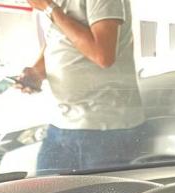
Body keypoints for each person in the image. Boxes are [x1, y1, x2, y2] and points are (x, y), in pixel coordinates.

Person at [20, 0, 145, 174]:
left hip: (103, 128)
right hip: (61, 124)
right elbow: (60, 38)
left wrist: (50, 8)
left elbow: (103, 55)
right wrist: (36, 73)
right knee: (45, 190)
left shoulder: (51, 6)